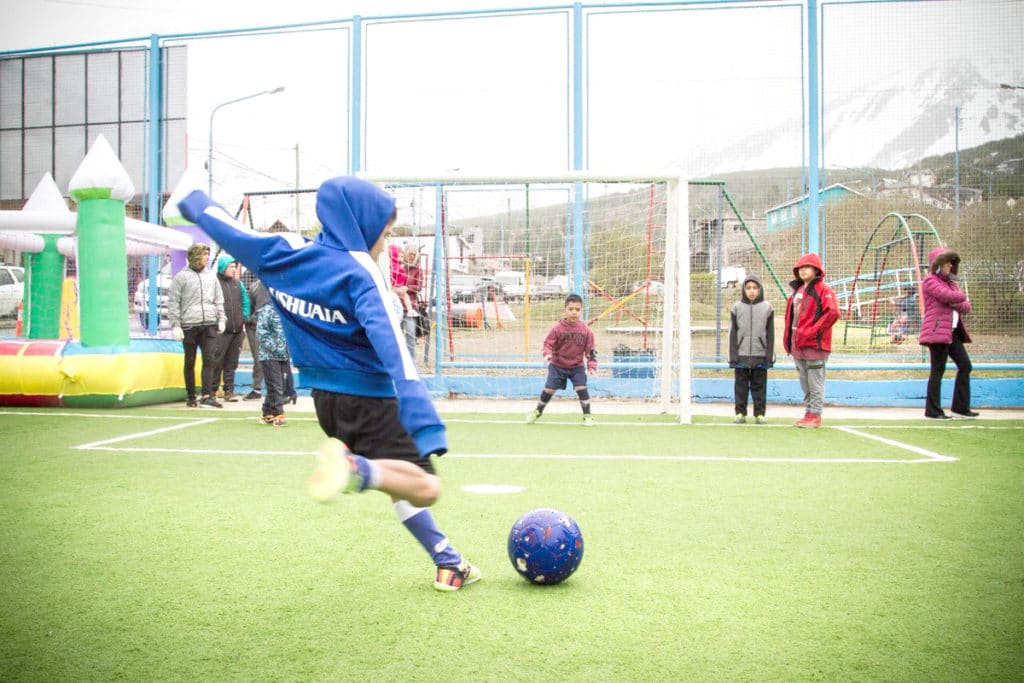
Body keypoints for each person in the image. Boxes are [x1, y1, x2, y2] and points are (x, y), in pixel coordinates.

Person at [178, 176, 480, 592]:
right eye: (385, 233)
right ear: (363, 226)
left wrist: (193, 202)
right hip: (374, 402)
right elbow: (394, 348)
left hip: (326, 405)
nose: (383, 243)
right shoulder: (360, 271)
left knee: (396, 481)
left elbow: (232, 231)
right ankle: (356, 470)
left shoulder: (285, 252)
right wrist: (424, 419)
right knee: (426, 486)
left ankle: (449, 562)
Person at [920, 247, 978, 419]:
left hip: (951, 333)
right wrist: (957, 297)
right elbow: (951, 297)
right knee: (938, 370)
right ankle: (933, 411)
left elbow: (965, 306)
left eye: (951, 265)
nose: (950, 268)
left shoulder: (951, 284)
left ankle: (960, 407)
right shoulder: (930, 281)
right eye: (946, 265)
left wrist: (955, 299)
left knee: (965, 366)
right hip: (937, 331)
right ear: (937, 265)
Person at [783, 252, 839, 428]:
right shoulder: (797, 291)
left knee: (815, 380)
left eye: (807, 267)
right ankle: (808, 412)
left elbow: (833, 313)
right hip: (797, 343)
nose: (803, 270)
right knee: (804, 380)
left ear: (816, 270)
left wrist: (813, 331)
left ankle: (815, 414)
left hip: (815, 344)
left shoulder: (824, 290)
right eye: (800, 267)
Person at [167, 243, 225, 409]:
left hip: (209, 324)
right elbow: (173, 302)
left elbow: (218, 299)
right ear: (195, 256)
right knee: (189, 361)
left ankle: (207, 395)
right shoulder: (181, 278)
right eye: (204, 254)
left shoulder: (211, 277)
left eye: (208, 254)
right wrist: (176, 325)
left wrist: (221, 319)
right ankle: (191, 395)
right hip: (189, 326)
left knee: (209, 360)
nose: (207, 257)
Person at [526, 293, 598, 426]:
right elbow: (548, 344)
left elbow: (591, 350)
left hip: (577, 366)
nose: (574, 312)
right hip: (557, 365)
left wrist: (592, 366)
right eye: (571, 309)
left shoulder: (586, 330)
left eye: (577, 310)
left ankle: (587, 415)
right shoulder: (557, 328)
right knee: (549, 390)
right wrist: (547, 354)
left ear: (581, 311)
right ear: (564, 310)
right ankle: (538, 411)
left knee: (581, 388)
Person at [728, 274, 775, 424]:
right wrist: (732, 356)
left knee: (759, 386)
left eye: (755, 288)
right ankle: (740, 413)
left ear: (760, 290)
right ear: (743, 290)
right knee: (740, 386)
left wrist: (769, 355)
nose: (752, 291)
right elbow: (732, 333)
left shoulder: (767, 308)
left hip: (760, 355)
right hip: (741, 355)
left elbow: (771, 334)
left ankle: (759, 414)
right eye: (748, 288)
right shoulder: (736, 308)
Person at [252, 279, 290, 426]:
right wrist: (275, 348)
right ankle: (278, 414)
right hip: (269, 355)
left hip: (283, 355)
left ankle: (267, 412)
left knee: (277, 384)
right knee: (276, 385)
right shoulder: (267, 310)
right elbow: (261, 333)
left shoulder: (285, 313)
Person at [211, 255, 248, 402]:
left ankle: (229, 391)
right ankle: (212, 391)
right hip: (220, 330)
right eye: (231, 267)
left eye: (235, 267)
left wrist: (243, 318)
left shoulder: (238, 285)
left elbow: (245, 302)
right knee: (217, 361)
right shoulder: (214, 283)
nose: (233, 270)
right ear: (223, 267)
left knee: (232, 363)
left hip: (237, 331)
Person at [389, 242, 424, 360]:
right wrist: (397, 290)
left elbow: (419, 286)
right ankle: (396, 361)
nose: (412, 256)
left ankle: (411, 362)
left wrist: (406, 288)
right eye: (410, 254)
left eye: (414, 254)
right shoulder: (397, 266)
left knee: (410, 334)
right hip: (396, 306)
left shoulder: (418, 269)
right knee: (395, 335)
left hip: (410, 307)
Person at [241, 266, 265, 400]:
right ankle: (257, 389)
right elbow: (247, 305)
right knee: (258, 359)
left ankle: (287, 390)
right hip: (254, 327)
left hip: (270, 327)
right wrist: (249, 319)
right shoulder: (253, 285)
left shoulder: (275, 284)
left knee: (278, 360)